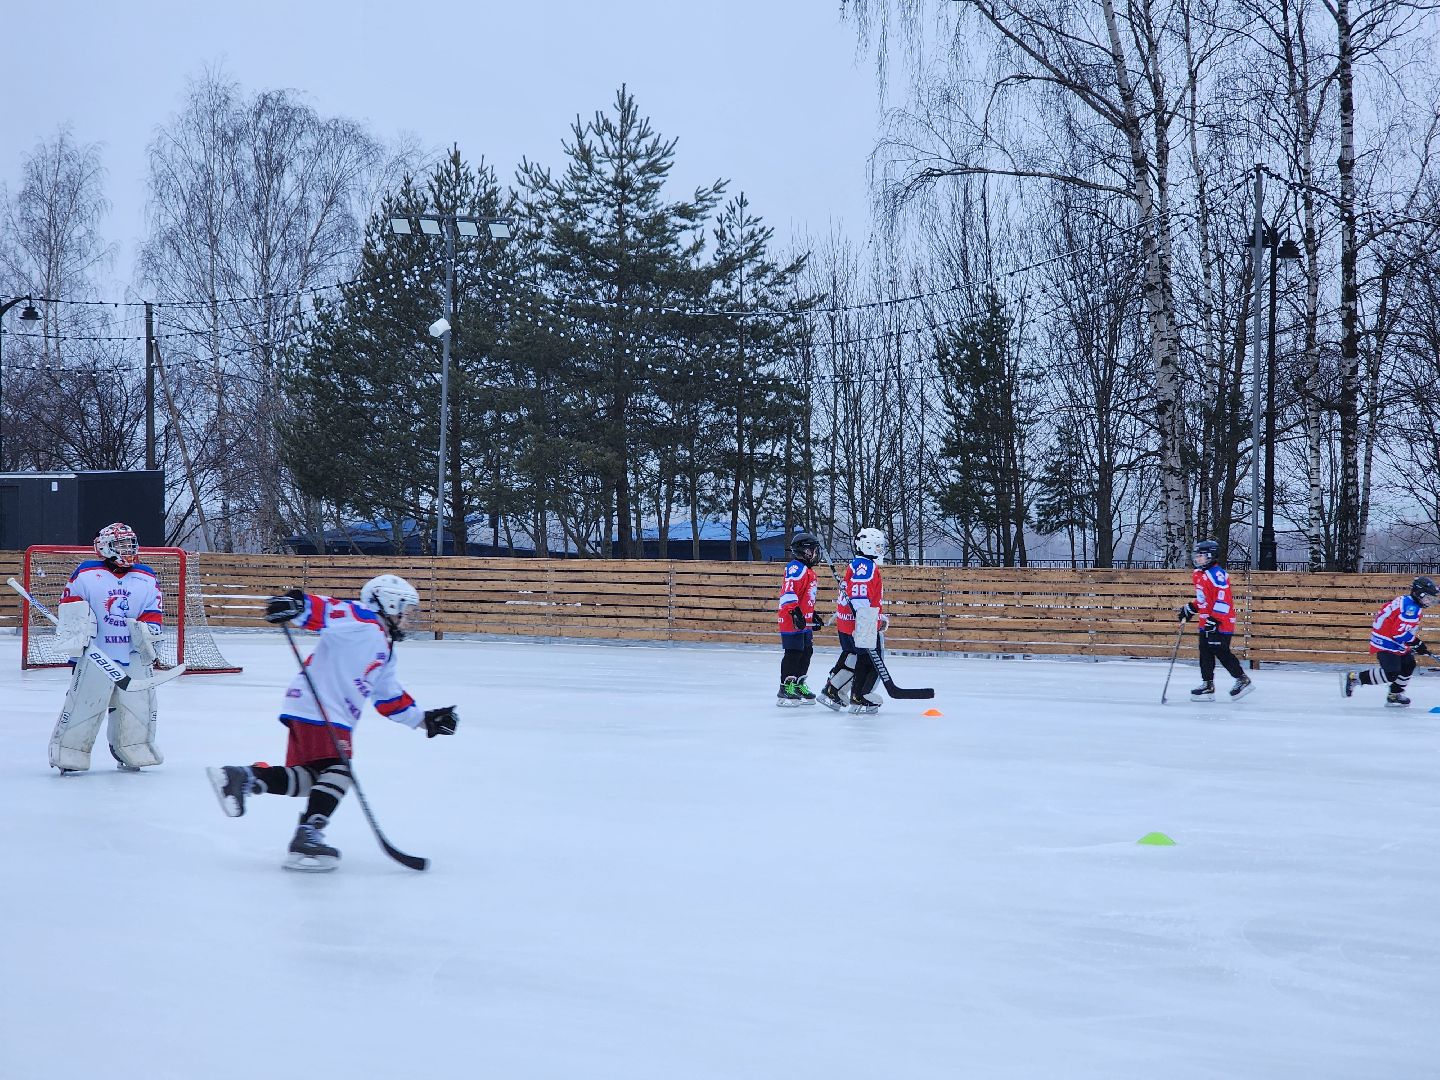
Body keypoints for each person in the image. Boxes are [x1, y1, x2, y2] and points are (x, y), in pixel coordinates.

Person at [206, 574, 458, 871]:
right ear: (390, 604)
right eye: (406, 610)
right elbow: (328, 610)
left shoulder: (386, 649)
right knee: (340, 771)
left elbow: (388, 698)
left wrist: (424, 720)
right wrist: (298, 605)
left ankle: (244, 777)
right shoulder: (363, 620)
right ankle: (308, 836)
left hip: (319, 709)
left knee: (312, 779)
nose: (408, 618)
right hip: (321, 706)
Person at [47, 522, 165, 774]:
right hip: (95, 654)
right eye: (121, 544)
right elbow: (70, 605)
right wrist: (77, 626)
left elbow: (152, 612)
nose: (128, 549)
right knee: (85, 705)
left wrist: (148, 632)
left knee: (137, 705)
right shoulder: (86, 573)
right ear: (104, 546)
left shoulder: (146, 576)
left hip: (132, 655)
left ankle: (133, 748)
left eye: (130, 543)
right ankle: (70, 751)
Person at [820, 527, 888, 714]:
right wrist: (864, 622)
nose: (881, 550)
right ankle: (861, 696)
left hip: (846, 622)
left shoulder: (855, 564)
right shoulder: (867, 567)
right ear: (868, 546)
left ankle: (833, 690)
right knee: (871, 661)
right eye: (878, 546)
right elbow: (859, 595)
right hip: (859, 623)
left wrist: (877, 616)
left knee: (852, 657)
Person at [1342, 576, 1439, 707]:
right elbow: (1398, 633)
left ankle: (1394, 695)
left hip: (1393, 639)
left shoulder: (1409, 601)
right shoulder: (1410, 609)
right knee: (1391, 673)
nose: (1429, 601)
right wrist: (1416, 643)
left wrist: (1414, 643)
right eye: (1427, 597)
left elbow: (1400, 629)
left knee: (1409, 664)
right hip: (1386, 641)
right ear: (1418, 594)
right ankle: (1354, 678)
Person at [1178, 539, 1254, 700]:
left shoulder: (1218, 575)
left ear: (1210, 556)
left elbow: (1223, 600)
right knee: (1205, 651)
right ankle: (1207, 683)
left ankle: (1242, 679)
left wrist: (1215, 619)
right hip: (1206, 622)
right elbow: (1204, 599)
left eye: (1201, 556)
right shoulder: (1198, 574)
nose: (1197, 558)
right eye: (1197, 555)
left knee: (1220, 651)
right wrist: (1191, 608)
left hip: (1221, 623)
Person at [776, 532, 824, 706]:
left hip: (804, 620)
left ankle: (798, 684)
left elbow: (805, 597)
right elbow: (788, 592)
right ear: (804, 551)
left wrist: (812, 613)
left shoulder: (809, 571)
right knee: (793, 652)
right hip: (792, 619)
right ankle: (786, 687)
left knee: (807, 651)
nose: (815, 554)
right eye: (813, 550)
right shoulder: (796, 568)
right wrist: (795, 613)